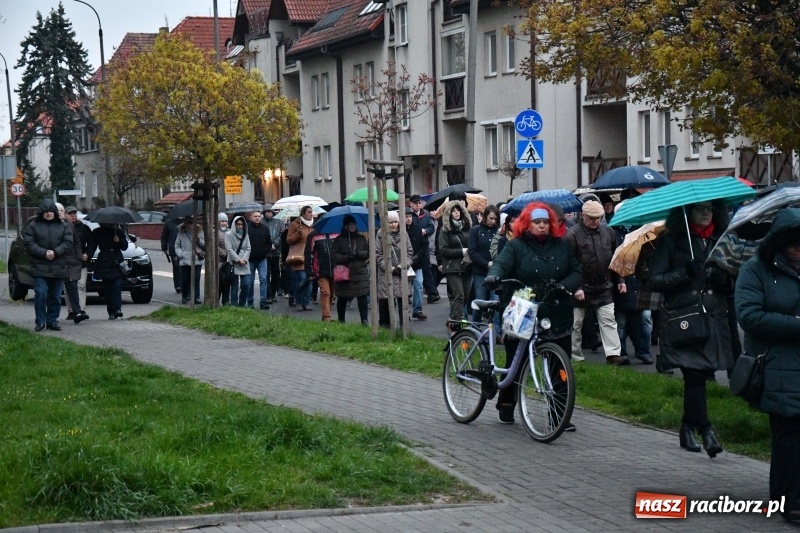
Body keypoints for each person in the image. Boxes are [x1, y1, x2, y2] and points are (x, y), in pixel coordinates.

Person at [647, 200, 732, 458]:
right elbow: (654, 280)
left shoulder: (721, 239)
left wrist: (725, 280)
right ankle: (706, 430)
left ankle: (686, 427)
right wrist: (685, 272)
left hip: (713, 317)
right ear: (687, 212)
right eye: (700, 209)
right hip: (684, 317)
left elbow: (733, 280)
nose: (706, 213)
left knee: (701, 374)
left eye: (710, 209)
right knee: (694, 375)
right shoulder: (672, 240)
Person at [485, 202, 582, 425]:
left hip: (555, 310)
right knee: (516, 361)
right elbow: (501, 264)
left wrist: (564, 286)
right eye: (537, 222)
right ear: (527, 224)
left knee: (560, 366)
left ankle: (559, 416)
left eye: (546, 222)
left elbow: (576, 270)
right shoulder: (515, 246)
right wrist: (495, 275)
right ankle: (507, 403)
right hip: (523, 310)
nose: (542, 226)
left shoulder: (562, 246)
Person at [735, 207, 800, 522]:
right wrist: (796, 324)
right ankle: (788, 502)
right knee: (788, 436)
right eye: (794, 244)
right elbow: (748, 315)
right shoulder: (755, 270)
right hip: (776, 365)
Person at [565, 200, 629, 365]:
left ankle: (613, 355)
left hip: (604, 285)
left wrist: (620, 280)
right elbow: (568, 264)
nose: (595, 221)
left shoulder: (608, 233)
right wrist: (576, 287)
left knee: (609, 321)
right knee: (576, 323)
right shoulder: (572, 235)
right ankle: (575, 357)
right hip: (581, 286)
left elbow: (615, 259)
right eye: (591, 218)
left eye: (598, 218)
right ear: (583, 215)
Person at [22, 199, 73, 331]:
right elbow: (29, 243)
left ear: (55, 212)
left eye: (51, 211)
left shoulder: (64, 226)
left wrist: (55, 252)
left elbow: (68, 243)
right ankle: (40, 321)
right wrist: (44, 253)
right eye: (46, 211)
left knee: (56, 296)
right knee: (41, 294)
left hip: (58, 266)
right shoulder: (33, 226)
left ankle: (52, 321)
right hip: (39, 266)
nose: (49, 214)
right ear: (41, 212)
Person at [375, 210, 413, 327]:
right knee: (385, 302)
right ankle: (385, 328)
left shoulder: (404, 234)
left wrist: (402, 266)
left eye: (395, 222)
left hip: (401, 273)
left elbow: (409, 253)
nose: (393, 225)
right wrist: (388, 267)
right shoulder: (381, 234)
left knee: (403, 303)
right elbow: (377, 254)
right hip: (386, 273)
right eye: (390, 222)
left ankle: (403, 328)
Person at [438, 199, 473, 325]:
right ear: (449, 214)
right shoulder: (445, 230)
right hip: (452, 267)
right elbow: (443, 250)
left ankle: (452, 320)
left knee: (466, 296)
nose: (456, 213)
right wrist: (461, 251)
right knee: (459, 296)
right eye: (453, 211)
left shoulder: (467, 228)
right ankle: (457, 324)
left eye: (458, 210)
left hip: (466, 266)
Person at [331, 215, 370, 324]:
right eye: (349, 224)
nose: (352, 226)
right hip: (345, 272)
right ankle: (341, 320)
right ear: (345, 226)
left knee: (362, 297)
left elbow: (367, 252)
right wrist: (347, 257)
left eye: (353, 224)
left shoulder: (361, 238)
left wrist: (358, 254)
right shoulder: (338, 240)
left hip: (360, 273)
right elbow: (334, 256)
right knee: (343, 297)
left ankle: (364, 319)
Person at [87, 222, 129, 320]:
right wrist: (88, 255)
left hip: (116, 260)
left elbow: (125, 246)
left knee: (117, 286)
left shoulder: (118, 231)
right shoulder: (98, 232)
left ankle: (118, 309)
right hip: (104, 261)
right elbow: (92, 246)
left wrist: (118, 241)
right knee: (108, 288)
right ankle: (111, 310)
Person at [468, 205, 500, 323]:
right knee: (480, 300)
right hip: (480, 271)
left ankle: (497, 332)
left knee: (495, 300)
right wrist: (486, 264)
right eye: (491, 218)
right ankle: (475, 326)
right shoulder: (476, 230)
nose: (493, 221)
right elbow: (472, 251)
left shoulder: (498, 231)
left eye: (495, 219)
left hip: (495, 272)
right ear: (485, 216)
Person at [409, 193, 440, 304]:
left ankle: (432, 293)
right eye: (415, 203)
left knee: (427, 270)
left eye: (419, 203)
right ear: (411, 204)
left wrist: (425, 230)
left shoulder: (425, 215)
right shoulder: (408, 215)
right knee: (410, 271)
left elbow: (431, 227)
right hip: (411, 247)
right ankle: (407, 293)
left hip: (424, 246)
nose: (418, 205)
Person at [305, 225, 338, 322]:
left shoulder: (335, 234)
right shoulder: (313, 235)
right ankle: (326, 317)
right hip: (320, 270)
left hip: (334, 269)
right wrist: (309, 270)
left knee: (332, 294)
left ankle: (328, 314)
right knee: (325, 292)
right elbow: (308, 253)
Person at [63, 206, 89, 324]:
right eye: (70, 213)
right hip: (64, 262)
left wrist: (85, 254)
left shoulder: (83, 228)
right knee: (68, 287)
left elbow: (81, 243)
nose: (73, 215)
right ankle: (71, 311)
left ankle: (80, 310)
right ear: (65, 215)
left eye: (74, 213)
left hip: (78, 262)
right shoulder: (62, 226)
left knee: (79, 284)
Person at [286, 206, 314, 311]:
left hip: (310, 256)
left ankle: (306, 302)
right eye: (309, 212)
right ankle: (299, 302)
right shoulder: (295, 224)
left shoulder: (313, 225)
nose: (311, 214)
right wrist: (298, 234)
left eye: (312, 212)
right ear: (303, 213)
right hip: (299, 256)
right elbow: (288, 240)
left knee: (310, 280)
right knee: (302, 279)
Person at [174, 217, 204, 304]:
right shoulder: (181, 233)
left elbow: (204, 244)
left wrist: (198, 241)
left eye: (191, 223)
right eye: (188, 223)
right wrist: (181, 254)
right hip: (185, 259)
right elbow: (177, 245)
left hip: (197, 258)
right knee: (185, 279)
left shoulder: (199, 231)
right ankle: (185, 296)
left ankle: (196, 297)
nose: (189, 225)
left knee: (196, 278)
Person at [246, 210, 272, 310]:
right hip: (250, 259)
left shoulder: (265, 228)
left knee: (263, 279)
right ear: (251, 217)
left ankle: (263, 301)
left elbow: (269, 243)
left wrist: (264, 252)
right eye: (255, 216)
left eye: (259, 216)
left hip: (262, 259)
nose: (257, 218)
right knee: (250, 281)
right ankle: (250, 301)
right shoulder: (247, 228)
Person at [405, 208, 428, 320]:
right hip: (404, 264)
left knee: (418, 285)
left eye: (410, 216)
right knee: (405, 289)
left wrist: (418, 256)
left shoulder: (418, 229)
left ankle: (417, 310)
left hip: (417, 263)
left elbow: (424, 245)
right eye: (406, 216)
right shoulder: (401, 231)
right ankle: (405, 312)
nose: (408, 219)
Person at [225, 216, 251, 307]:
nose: (240, 226)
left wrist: (244, 259)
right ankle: (234, 304)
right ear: (234, 224)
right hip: (234, 262)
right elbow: (229, 249)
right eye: (238, 224)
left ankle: (242, 303)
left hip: (244, 262)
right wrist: (238, 259)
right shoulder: (228, 235)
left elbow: (248, 248)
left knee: (246, 284)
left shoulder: (246, 235)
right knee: (234, 287)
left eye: (242, 224)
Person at [263, 206, 284, 303]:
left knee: (276, 273)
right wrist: (268, 245)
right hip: (265, 252)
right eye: (266, 212)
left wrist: (275, 243)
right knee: (266, 274)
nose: (268, 214)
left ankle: (274, 292)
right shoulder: (262, 222)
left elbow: (281, 234)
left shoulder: (278, 222)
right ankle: (268, 294)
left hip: (276, 252)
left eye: (269, 212)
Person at [160, 214, 182, 294]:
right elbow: (164, 236)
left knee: (185, 267)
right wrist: (164, 247)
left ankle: (185, 285)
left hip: (185, 249)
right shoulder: (169, 223)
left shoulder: (186, 222)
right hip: (174, 249)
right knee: (176, 268)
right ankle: (178, 285)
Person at [217, 212, 231, 306]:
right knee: (219, 281)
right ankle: (216, 300)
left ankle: (226, 301)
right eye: (222, 221)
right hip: (219, 260)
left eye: (225, 221)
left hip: (229, 260)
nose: (224, 223)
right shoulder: (215, 232)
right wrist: (223, 253)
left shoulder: (230, 231)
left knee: (227, 281)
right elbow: (215, 245)